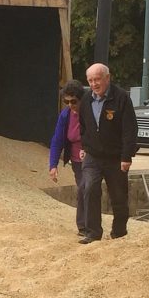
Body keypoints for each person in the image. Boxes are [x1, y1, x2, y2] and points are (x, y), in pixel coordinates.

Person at [78, 62, 138, 244]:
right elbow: (84, 127)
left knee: (119, 196)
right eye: (90, 80)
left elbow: (130, 129)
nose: (94, 84)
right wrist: (84, 146)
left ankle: (119, 232)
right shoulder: (86, 100)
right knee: (89, 188)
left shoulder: (121, 98)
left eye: (97, 79)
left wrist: (126, 156)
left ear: (107, 78)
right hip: (93, 156)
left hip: (116, 157)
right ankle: (93, 233)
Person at [49, 80, 87, 236]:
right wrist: (53, 165)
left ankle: (90, 226)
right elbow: (57, 139)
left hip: (92, 158)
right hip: (76, 160)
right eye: (66, 101)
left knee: (88, 188)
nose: (70, 105)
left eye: (73, 101)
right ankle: (83, 227)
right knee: (83, 189)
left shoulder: (90, 112)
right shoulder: (65, 115)